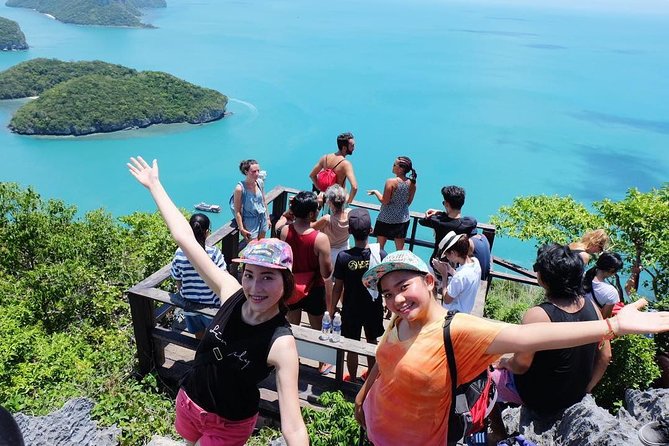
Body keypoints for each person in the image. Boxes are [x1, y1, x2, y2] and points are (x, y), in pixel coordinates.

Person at [353, 249, 669, 445]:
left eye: (403, 286)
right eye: (387, 294)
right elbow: (385, 358)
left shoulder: (459, 328)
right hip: (375, 428)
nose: (395, 299)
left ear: (429, 281)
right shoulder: (400, 319)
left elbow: (527, 337)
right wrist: (362, 396)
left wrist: (612, 326)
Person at [128, 156, 308, 446]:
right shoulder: (230, 292)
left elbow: (293, 425)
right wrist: (155, 186)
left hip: (229, 422)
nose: (254, 286)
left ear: (285, 282)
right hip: (190, 401)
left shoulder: (280, 342)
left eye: (268, 277)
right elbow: (185, 239)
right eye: (249, 275)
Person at [493, 244, 612, 434]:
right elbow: (605, 356)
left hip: (541, 400)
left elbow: (521, 365)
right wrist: (587, 388)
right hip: (575, 394)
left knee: (483, 378)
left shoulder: (538, 315)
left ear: (543, 278)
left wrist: (505, 362)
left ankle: (497, 433)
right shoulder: (593, 307)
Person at [275, 191, 333, 373]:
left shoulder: (285, 231)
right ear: (310, 214)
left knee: (293, 324)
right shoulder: (320, 239)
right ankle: (322, 362)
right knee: (317, 327)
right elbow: (326, 272)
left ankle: (294, 358)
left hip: (292, 286)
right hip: (315, 287)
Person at [331, 208, 387, 381]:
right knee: (372, 343)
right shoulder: (381, 255)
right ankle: (371, 378)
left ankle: (353, 378)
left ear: (349, 232)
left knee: (351, 345)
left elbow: (337, 287)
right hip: (373, 307)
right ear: (370, 231)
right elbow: (385, 284)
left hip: (351, 308)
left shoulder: (343, 257)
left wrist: (332, 308)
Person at [171, 213, 227, 339]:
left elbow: (177, 279)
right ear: (207, 232)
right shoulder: (214, 253)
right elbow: (224, 277)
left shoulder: (180, 253)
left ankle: (200, 355)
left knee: (199, 336)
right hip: (212, 305)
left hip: (189, 306)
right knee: (215, 337)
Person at [418, 185, 490, 281]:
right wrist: (443, 212)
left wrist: (439, 213)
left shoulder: (437, 221)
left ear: (447, 204)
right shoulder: (469, 222)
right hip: (457, 268)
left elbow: (422, 221)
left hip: (437, 265)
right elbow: (463, 221)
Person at [367, 156, 417, 251]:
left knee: (379, 248)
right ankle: (401, 265)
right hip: (402, 219)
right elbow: (408, 202)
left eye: (395, 165)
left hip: (385, 218)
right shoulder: (412, 183)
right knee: (400, 249)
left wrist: (376, 192)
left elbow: (385, 201)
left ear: (401, 169)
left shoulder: (391, 182)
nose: (392, 166)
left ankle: (379, 265)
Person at [311, 184, 350, 305]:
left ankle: (329, 309)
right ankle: (345, 311)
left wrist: (318, 204)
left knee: (328, 286)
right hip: (345, 251)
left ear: (329, 202)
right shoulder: (350, 214)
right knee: (342, 284)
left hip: (329, 253)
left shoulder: (327, 219)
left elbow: (310, 227)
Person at [431, 231, 481, 314]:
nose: (447, 258)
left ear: (453, 253)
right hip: (466, 311)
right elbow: (465, 280)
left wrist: (444, 276)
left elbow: (447, 299)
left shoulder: (459, 277)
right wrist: (450, 270)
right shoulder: (475, 263)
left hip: (453, 316)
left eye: (447, 255)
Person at [309, 132, 358, 203]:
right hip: (337, 202)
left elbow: (312, 175)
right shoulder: (345, 164)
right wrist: (348, 202)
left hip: (326, 199)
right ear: (344, 148)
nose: (354, 148)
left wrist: (320, 189)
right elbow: (354, 187)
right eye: (352, 146)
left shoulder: (325, 158)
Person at [233, 159, 270, 242]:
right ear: (246, 172)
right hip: (250, 222)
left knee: (261, 244)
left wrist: (267, 218)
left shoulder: (260, 182)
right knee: (252, 247)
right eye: (253, 171)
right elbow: (237, 211)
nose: (257, 173)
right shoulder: (240, 188)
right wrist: (241, 228)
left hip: (262, 219)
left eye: (258, 171)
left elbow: (263, 201)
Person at [583, 251, 624, 318]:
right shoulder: (611, 292)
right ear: (612, 270)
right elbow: (605, 318)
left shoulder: (580, 277)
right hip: (591, 325)